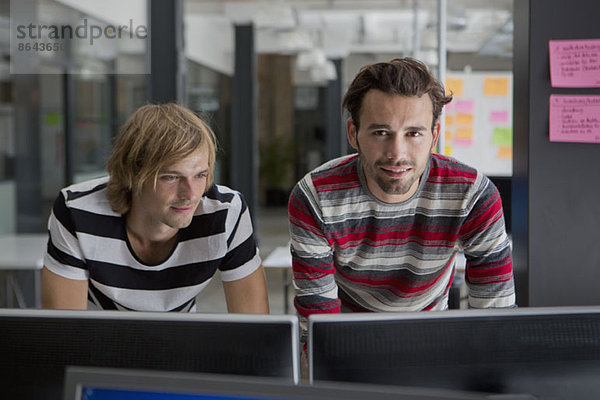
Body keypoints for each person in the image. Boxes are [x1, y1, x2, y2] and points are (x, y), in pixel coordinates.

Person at [288, 58, 515, 329]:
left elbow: (495, 313)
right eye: (381, 132)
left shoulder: (472, 195)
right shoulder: (316, 198)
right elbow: (317, 324)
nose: (397, 153)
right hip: (347, 334)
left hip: (431, 332)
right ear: (353, 133)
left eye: (413, 134)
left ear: (434, 135)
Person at [42, 103, 269, 313]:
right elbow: (64, 336)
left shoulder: (225, 212)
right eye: (171, 177)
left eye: (200, 175)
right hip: (96, 350)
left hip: (181, 349)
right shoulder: (77, 210)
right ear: (133, 174)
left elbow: (257, 332)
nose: (190, 194)